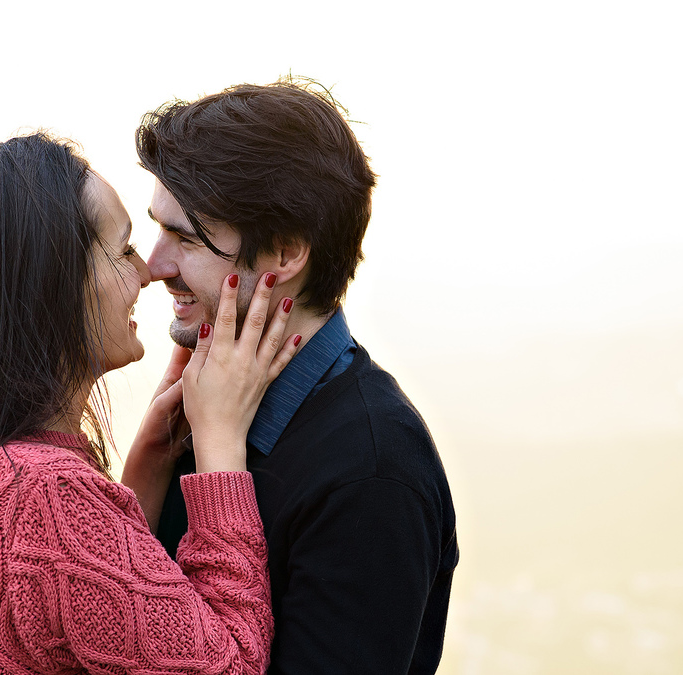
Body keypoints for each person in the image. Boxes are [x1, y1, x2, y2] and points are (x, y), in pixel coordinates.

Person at [0, 132, 302, 675]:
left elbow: (86, 616)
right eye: (123, 250)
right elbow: (229, 665)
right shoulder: (46, 493)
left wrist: (147, 460)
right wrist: (220, 442)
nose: (147, 272)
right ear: (51, 285)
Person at [130, 78, 459, 674]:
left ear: (284, 254)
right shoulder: (204, 413)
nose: (156, 267)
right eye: (158, 229)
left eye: (185, 237)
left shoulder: (373, 469)